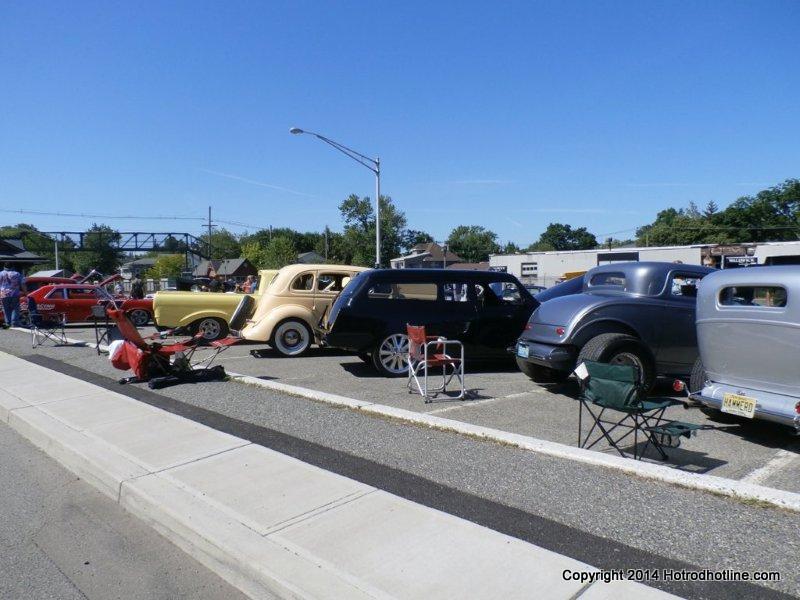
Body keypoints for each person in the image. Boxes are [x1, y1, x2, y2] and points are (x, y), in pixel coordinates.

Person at [0, 263, 26, 327]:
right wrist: (25, 292)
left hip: (3, 294)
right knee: (15, 308)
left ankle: (7, 323)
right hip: (14, 294)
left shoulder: (0, 274)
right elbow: (22, 284)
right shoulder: (17, 274)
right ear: (12, 267)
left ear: (4, 267)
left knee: (6, 309)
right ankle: (14, 322)